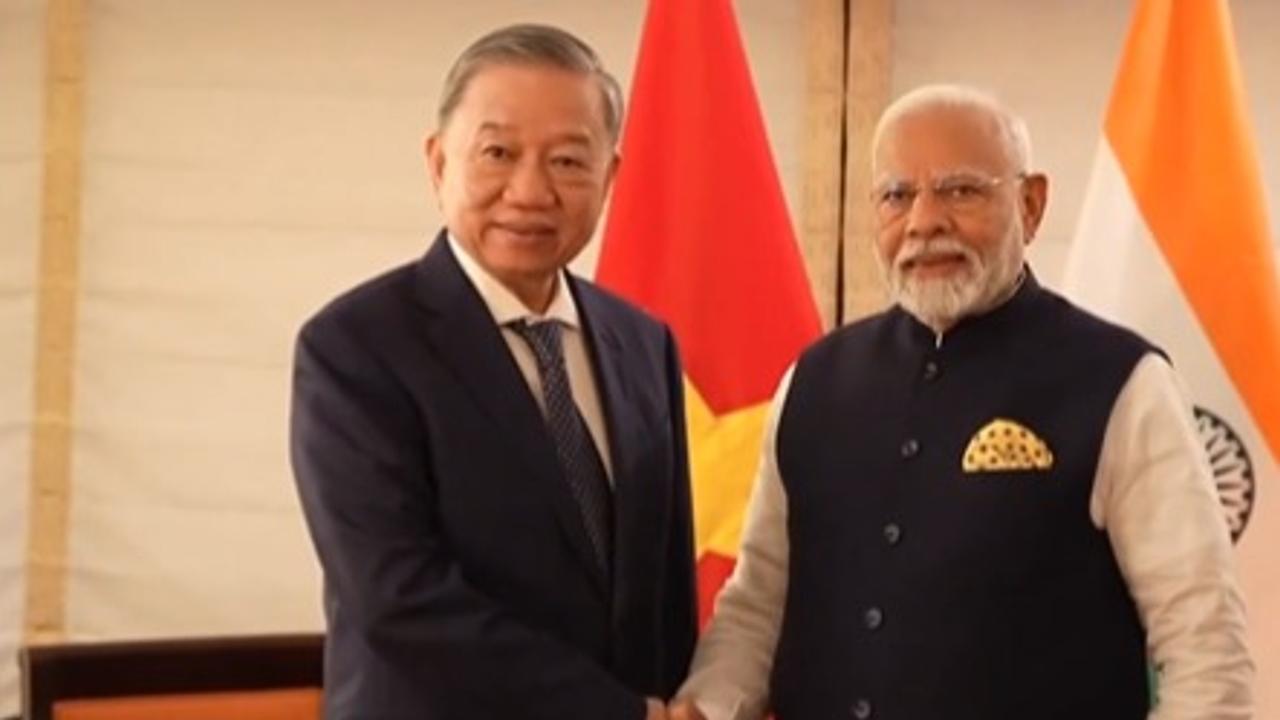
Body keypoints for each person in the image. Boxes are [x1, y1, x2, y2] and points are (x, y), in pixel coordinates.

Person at [669, 85, 1253, 720]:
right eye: (897, 195)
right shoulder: (814, 381)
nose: (924, 221)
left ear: (1031, 205)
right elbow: (759, 601)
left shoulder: (1121, 382)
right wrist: (707, 705)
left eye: (961, 190)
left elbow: (1200, 635)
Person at [290, 24, 696, 720]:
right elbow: (400, 599)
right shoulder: (355, 348)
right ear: (438, 161)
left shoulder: (643, 343)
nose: (531, 191)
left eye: (569, 160)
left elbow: (661, 590)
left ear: (612, 176)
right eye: (498, 153)